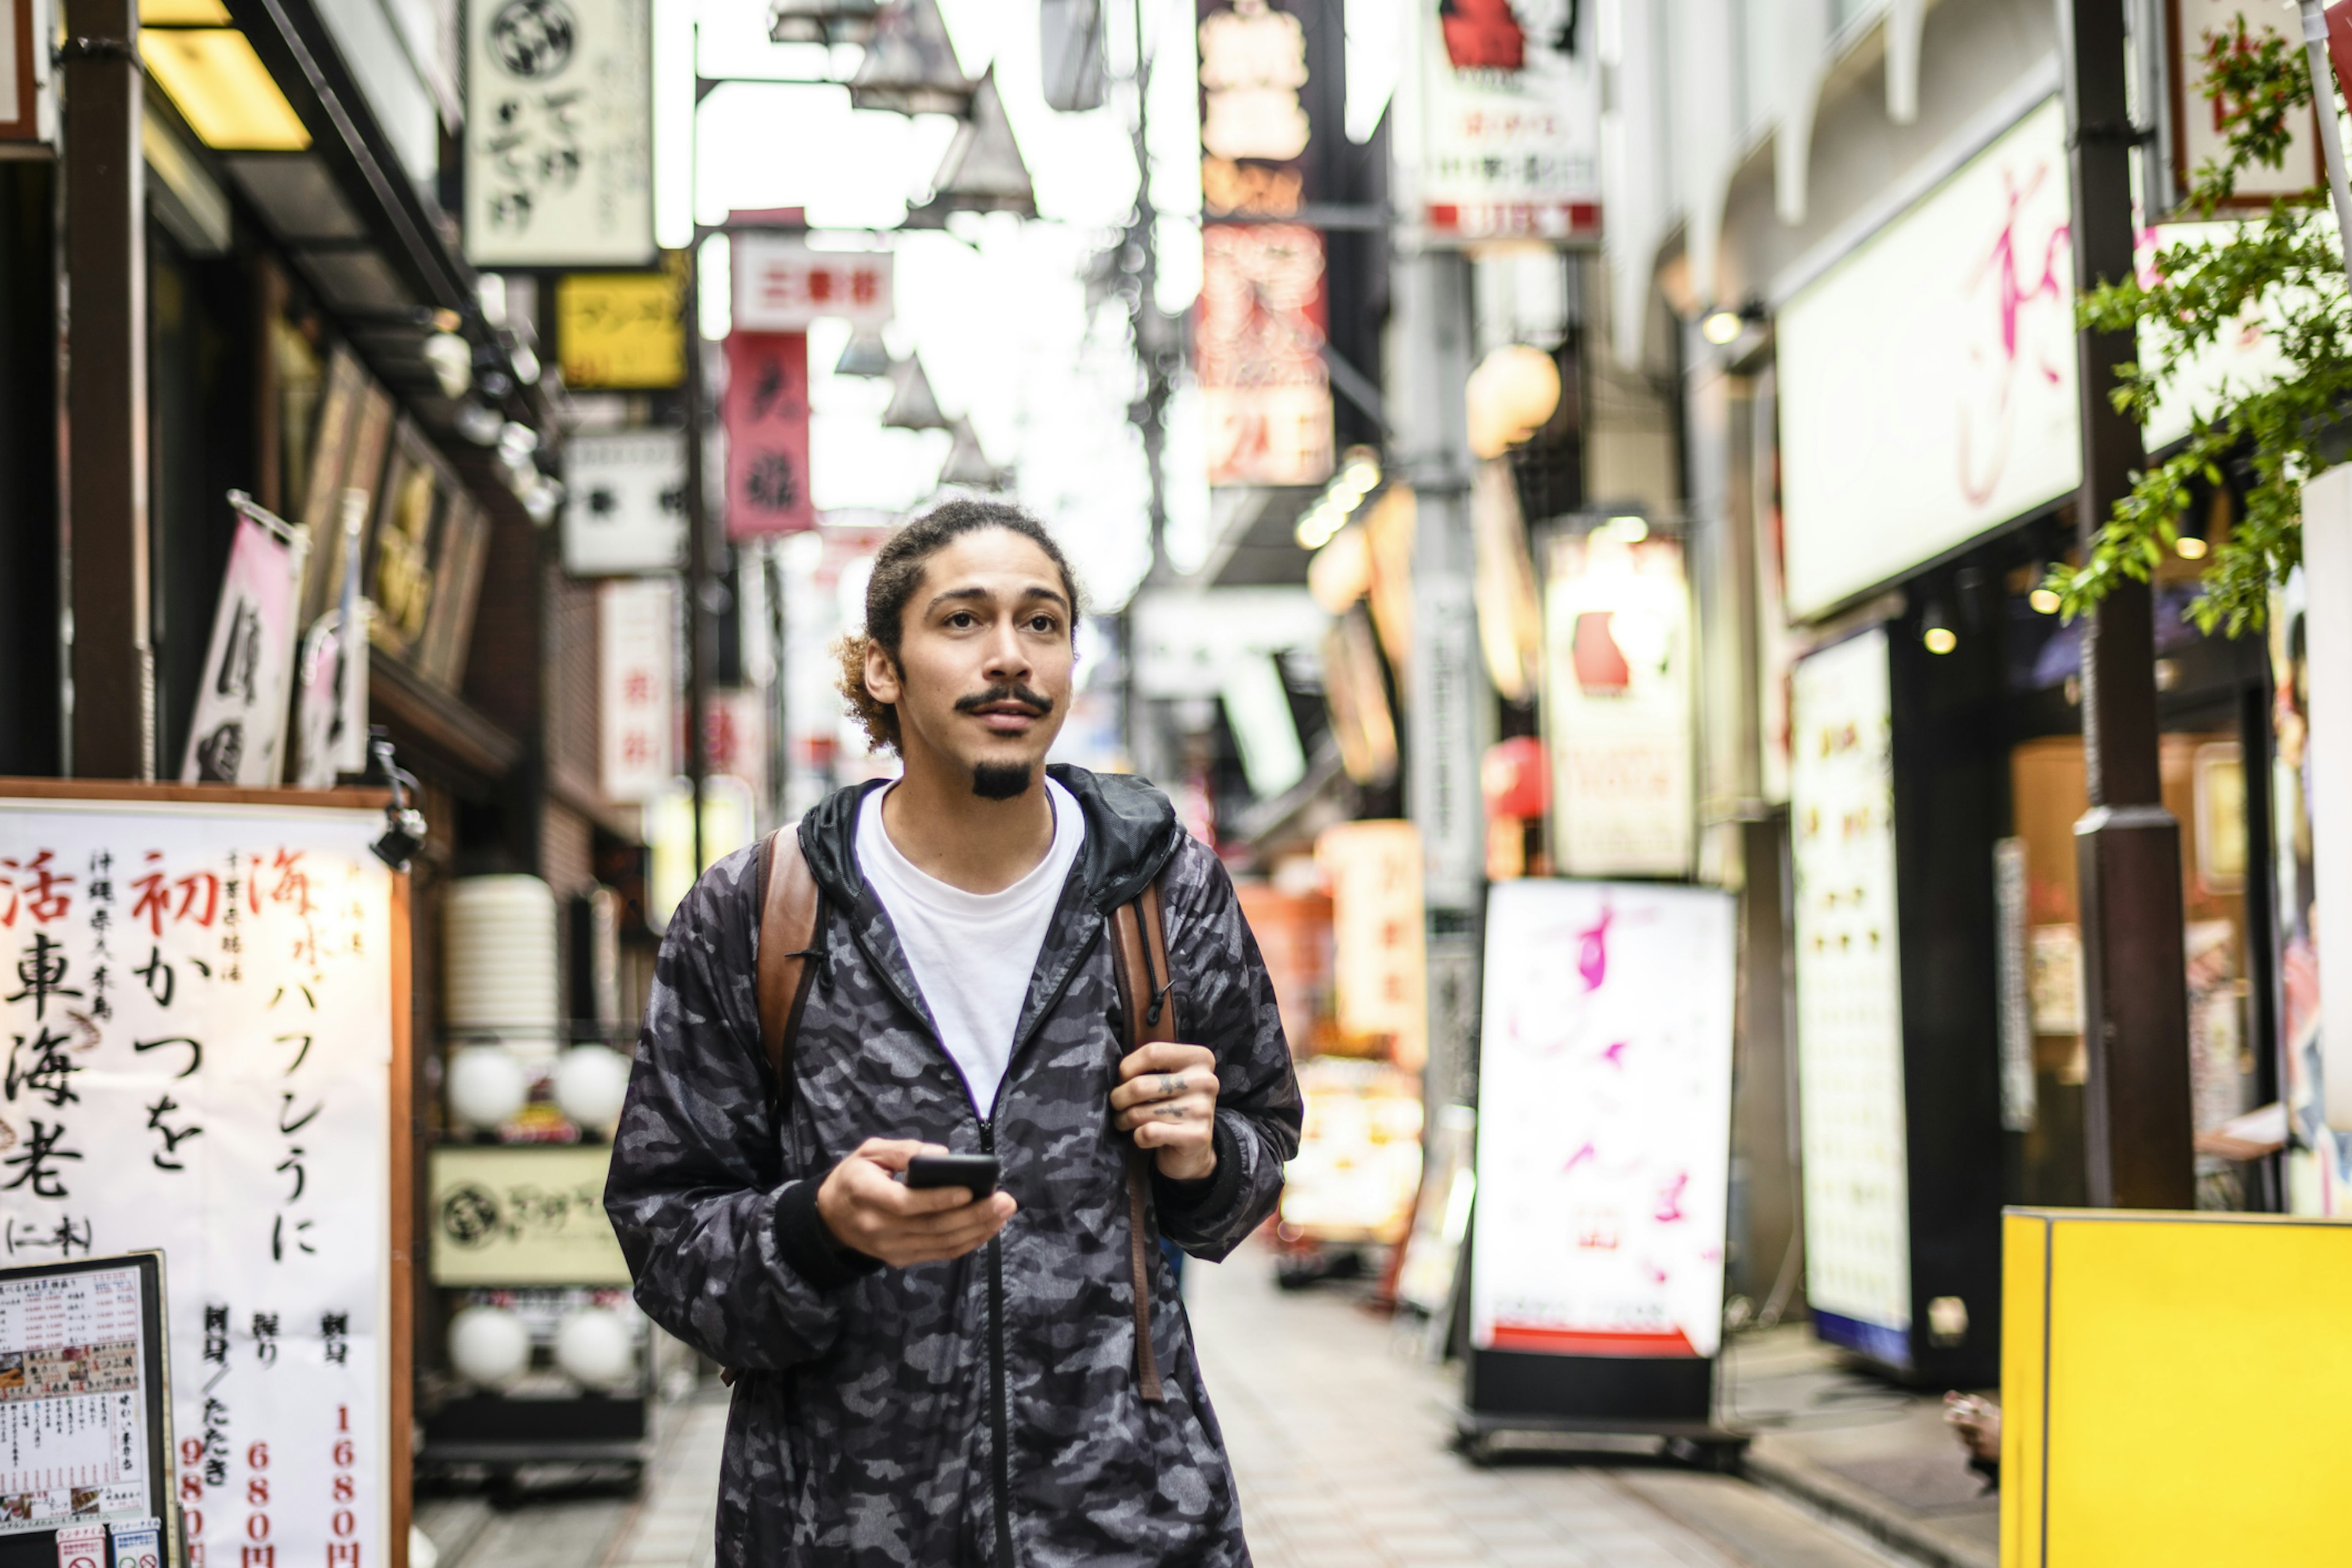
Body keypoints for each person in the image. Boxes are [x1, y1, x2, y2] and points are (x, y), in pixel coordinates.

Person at [605, 500, 1303, 1567]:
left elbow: (1259, 1157)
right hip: (838, 1524)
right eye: (965, 622)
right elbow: (663, 1227)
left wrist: (1209, 1155)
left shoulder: (1159, 890)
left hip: (1128, 1519)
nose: (1011, 658)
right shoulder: (762, 911)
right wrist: (816, 1231)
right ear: (882, 668)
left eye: (1043, 624)